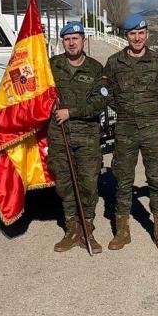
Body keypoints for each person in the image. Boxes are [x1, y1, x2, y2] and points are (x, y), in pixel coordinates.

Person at [103, 13, 158, 251]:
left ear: (147, 34)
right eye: (132, 34)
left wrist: (155, 108)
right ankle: (122, 232)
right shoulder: (114, 62)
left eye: (141, 33)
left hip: (152, 127)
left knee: (155, 178)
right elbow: (107, 92)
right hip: (125, 129)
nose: (137, 38)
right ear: (126, 36)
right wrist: (123, 108)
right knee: (123, 179)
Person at [48, 21, 106, 254]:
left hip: (87, 136)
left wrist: (71, 112)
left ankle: (87, 227)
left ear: (84, 40)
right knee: (64, 183)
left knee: (89, 182)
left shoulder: (95, 68)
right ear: (63, 42)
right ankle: (71, 228)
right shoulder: (52, 66)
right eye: (67, 39)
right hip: (59, 135)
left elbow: (100, 102)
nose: (72, 42)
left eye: (76, 38)